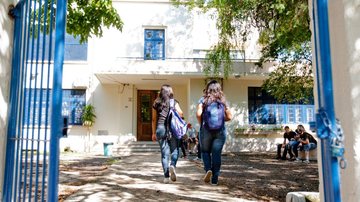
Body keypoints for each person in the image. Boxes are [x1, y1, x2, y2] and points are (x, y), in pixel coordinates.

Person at [196, 80, 232, 185]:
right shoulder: (223, 101)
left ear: (207, 89)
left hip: (205, 130)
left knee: (205, 152)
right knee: (216, 154)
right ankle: (215, 180)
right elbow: (230, 116)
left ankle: (208, 170)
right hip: (220, 131)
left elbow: (198, 114)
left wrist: (202, 123)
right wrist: (220, 119)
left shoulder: (203, 100)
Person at [152, 84, 184, 183]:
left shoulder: (156, 102)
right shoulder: (174, 102)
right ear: (170, 92)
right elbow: (181, 114)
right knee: (174, 150)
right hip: (173, 128)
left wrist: (153, 133)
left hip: (160, 128)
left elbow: (153, 119)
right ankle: (172, 165)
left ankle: (166, 177)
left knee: (164, 154)